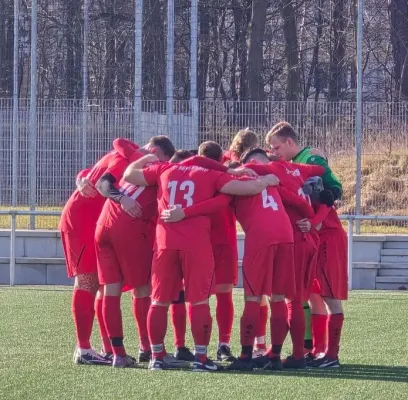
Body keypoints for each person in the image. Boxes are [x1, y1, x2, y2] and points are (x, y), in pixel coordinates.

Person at [123, 146, 279, 372]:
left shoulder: (165, 170)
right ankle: (201, 358)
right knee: (199, 301)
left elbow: (129, 174)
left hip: (165, 242)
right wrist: (266, 180)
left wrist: (145, 158)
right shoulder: (211, 174)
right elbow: (248, 188)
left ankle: (156, 355)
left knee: (159, 301)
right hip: (195, 243)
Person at [265, 122, 347, 368]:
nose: (274, 152)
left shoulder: (310, 159)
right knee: (313, 295)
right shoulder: (289, 165)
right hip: (312, 237)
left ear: (289, 142)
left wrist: (315, 222)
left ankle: (332, 355)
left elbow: (332, 192)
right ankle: (317, 350)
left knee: (329, 295)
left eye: (276, 147)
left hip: (327, 235)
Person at [94, 136, 179, 368]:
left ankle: (118, 353)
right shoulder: (158, 169)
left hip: (104, 224)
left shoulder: (133, 161)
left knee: (111, 289)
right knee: (143, 288)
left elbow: (117, 145)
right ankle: (147, 347)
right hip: (129, 228)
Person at [237, 147, 325, 369]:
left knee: (256, 298)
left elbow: (219, 199)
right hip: (297, 236)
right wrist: (314, 219)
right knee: (286, 299)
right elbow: (319, 172)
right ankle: (283, 355)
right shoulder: (284, 171)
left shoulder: (243, 173)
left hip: (278, 238)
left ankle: (248, 356)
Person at [59, 138, 142, 365]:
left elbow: (89, 172)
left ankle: (106, 347)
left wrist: (80, 178)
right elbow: (104, 182)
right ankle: (84, 349)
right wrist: (123, 199)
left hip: (95, 223)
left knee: (103, 285)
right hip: (83, 222)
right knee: (87, 281)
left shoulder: (121, 156)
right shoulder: (126, 160)